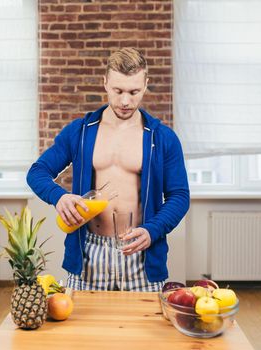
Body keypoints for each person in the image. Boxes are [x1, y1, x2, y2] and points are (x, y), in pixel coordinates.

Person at [27, 47, 190, 292]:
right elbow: (37, 172)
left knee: (145, 330)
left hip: (141, 254)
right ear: (105, 83)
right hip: (88, 254)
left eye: (134, 91)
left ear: (146, 85)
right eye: (118, 91)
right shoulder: (80, 132)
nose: (126, 101)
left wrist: (152, 230)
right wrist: (59, 197)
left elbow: (179, 196)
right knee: (84, 331)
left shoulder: (163, 138)